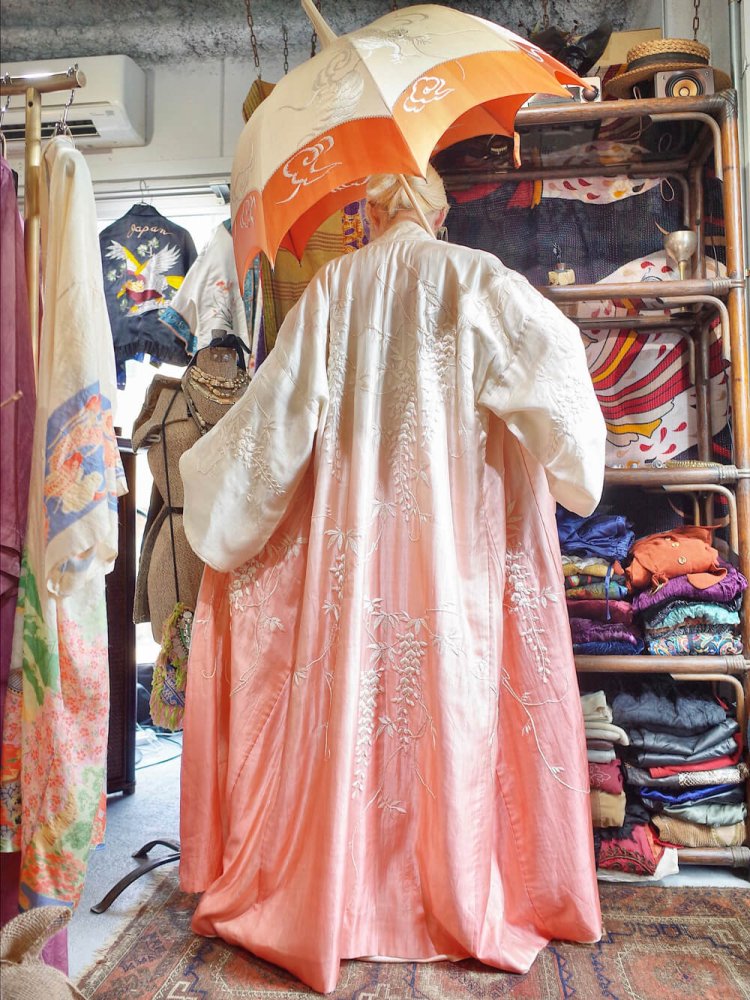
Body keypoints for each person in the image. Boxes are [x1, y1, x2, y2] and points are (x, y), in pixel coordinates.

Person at [178, 167, 606, 995]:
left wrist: (214, 490)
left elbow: (275, 422)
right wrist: (569, 463)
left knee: (355, 705)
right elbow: (557, 369)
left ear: (365, 214)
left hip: (356, 548)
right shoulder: (479, 279)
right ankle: (457, 887)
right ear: (442, 213)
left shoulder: (335, 288)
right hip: (460, 547)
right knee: (452, 698)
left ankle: (349, 893)